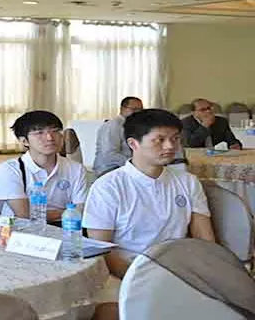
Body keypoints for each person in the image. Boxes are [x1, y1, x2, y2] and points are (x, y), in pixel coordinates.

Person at [83, 109, 215, 320]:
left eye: (175, 139)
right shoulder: (108, 187)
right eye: (159, 140)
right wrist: (143, 279)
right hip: (123, 273)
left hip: (177, 271)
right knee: (113, 312)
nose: (170, 146)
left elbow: (205, 240)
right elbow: (101, 250)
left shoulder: (187, 182)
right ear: (133, 144)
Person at [0, 111, 87, 221]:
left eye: (55, 131)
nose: (50, 138)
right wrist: (69, 212)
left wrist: (72, 213)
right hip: (22, 228)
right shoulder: (10, 169)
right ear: (24, 141)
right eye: (39, 133)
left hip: (66, 226)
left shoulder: (76, 169)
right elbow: (24, 215)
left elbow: (83, 210)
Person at [93, 96, 143, 176]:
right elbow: (109, 154)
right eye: (134, 109)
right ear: (122, 109)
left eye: (140, 110)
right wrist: (135, 165)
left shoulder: (133, 125)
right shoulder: (113, 125)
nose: (138, 113)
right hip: (110, 169)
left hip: (126, 167)